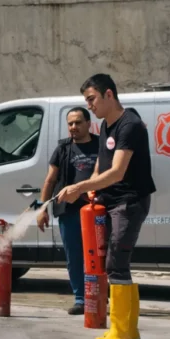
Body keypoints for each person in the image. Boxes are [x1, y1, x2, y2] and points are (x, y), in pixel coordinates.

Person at [56, 73, 156, 339]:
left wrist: (79, 187)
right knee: (117, 264)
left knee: (115, 264)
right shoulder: (105, 126)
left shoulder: (130, 125)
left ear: (109, 95)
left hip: (129, 202)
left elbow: (117, 171)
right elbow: (102, 165)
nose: (89, 106)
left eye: (92, 99)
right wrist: (92, 189)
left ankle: (121, 331)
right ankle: (129, 330)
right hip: (112, 201)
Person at [36, 107, 99, 315]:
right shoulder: (62, 149)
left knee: (100, 255)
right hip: (69, 212)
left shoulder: (101, 145)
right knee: (74, 256)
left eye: (78, 122)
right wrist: (42, 208)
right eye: (70, 123)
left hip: (98, 210)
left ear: (89, 123)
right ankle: (81, 299)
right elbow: (50, 179)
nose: (74, 127)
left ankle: (101, 297)